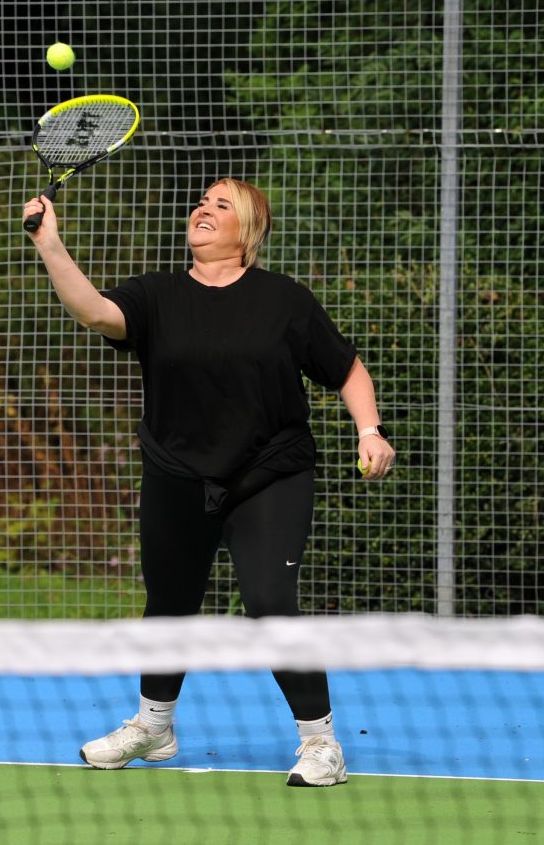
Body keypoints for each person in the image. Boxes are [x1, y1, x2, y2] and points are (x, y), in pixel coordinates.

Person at [22, 177, 396, 787]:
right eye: (202, 200)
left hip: (267, 472)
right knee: (168, 607)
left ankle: (322, 742)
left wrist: (370, 431)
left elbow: (347, 368)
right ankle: (154, 726)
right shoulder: (159, 295)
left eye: (221, 205)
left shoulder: (285, 301)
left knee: (271, 605)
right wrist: (50, 245)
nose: (203, 208)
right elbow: (95, 312)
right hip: (176, 473)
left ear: (246, 234)